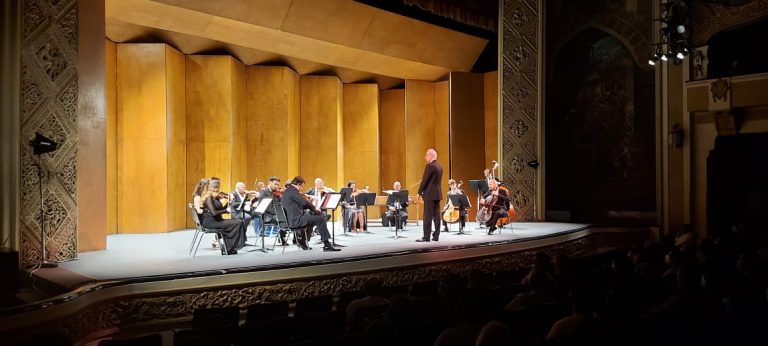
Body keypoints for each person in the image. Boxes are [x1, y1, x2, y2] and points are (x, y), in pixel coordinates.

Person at [281, 176, 340, 252]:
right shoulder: (293, 191)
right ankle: (327, 245)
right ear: (298, 184)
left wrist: (313, 210)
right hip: (296, 220)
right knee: (321, 219)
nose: (301, 189)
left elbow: (299, 205)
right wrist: (315, 210)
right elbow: (304, 203)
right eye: (302, 186)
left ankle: (303, 242)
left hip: (291, 219)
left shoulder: (288, 191)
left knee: (312, 219)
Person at [201, 179, 246, 255]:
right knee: (236, 223)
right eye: (216, 190)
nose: (217, 192)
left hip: (218, 220)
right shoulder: (208, 198)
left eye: (217, 190)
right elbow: (214, 213)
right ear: (212, 189)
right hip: (211, 222)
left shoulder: (215, 198)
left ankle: (230, 246)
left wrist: (228, 203)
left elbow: (220, 209)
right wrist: (226, 210)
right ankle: (229, 248)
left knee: (239, 221)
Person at [417, 148, 443, 242]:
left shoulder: (430, 166)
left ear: (431, 156)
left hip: (429, 194)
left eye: (426, 155)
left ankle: (426, 237)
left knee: (427, 215)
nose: (425, 157)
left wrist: (419, 192)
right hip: (437, 193)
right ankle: (436, 236)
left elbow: (425, 181)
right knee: (437, 215)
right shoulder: (440, 166)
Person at [259, 176, 287, 245]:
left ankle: (283, 235)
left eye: (278, 185)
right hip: (267, 215)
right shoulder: (263, 192)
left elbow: (279, 204)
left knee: (287, 217)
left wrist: (282, 198)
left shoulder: (276, 192)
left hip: (275, 213)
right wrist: (279, 213)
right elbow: (266, 207)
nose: (277, 186)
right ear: (270, 182)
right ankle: (282, 237)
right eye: (275, 184)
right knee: (281, 218)